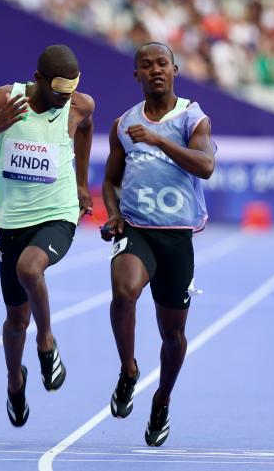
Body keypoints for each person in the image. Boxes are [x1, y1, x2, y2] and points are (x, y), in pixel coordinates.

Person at [0, 44, 94, 427]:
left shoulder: (80, 105)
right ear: (37, 80)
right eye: (58, 92)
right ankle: (14, 381)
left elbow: (85, 130)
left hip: (58, 214)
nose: (65, 99)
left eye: (71, 91)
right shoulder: (7, 99)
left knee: (30, 267)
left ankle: (47, 342)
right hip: (13, 221)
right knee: (16, 319)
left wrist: (83, 185)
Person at [101, 42, 215, 446]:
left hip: (177, 238)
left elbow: (206, 166)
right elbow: (110, 182)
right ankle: (128, 370)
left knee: (173, 335)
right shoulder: (123, 124)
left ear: (175, 69)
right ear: (136, 75)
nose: (155, 70)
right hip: (137, 228)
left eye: (161, 63)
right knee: (123, 290)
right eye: (146, 66)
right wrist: (113, 214)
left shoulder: (192, 117)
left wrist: (158, 140)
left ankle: (162, 399)